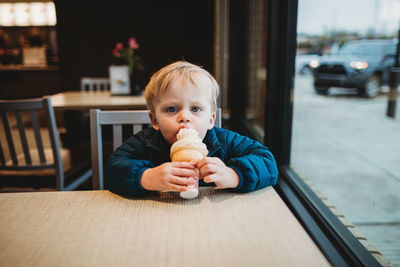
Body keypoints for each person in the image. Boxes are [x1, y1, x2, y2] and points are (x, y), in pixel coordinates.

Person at [105, 61, 278, 197]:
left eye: (195, 109)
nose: (184, 117)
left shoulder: (223, 141)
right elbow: (113, 168)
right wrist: (146, 178)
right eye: (172, 109)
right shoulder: (147, 141)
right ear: (154, 120)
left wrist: (234, 175)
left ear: (211, 119)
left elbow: (268, 162)